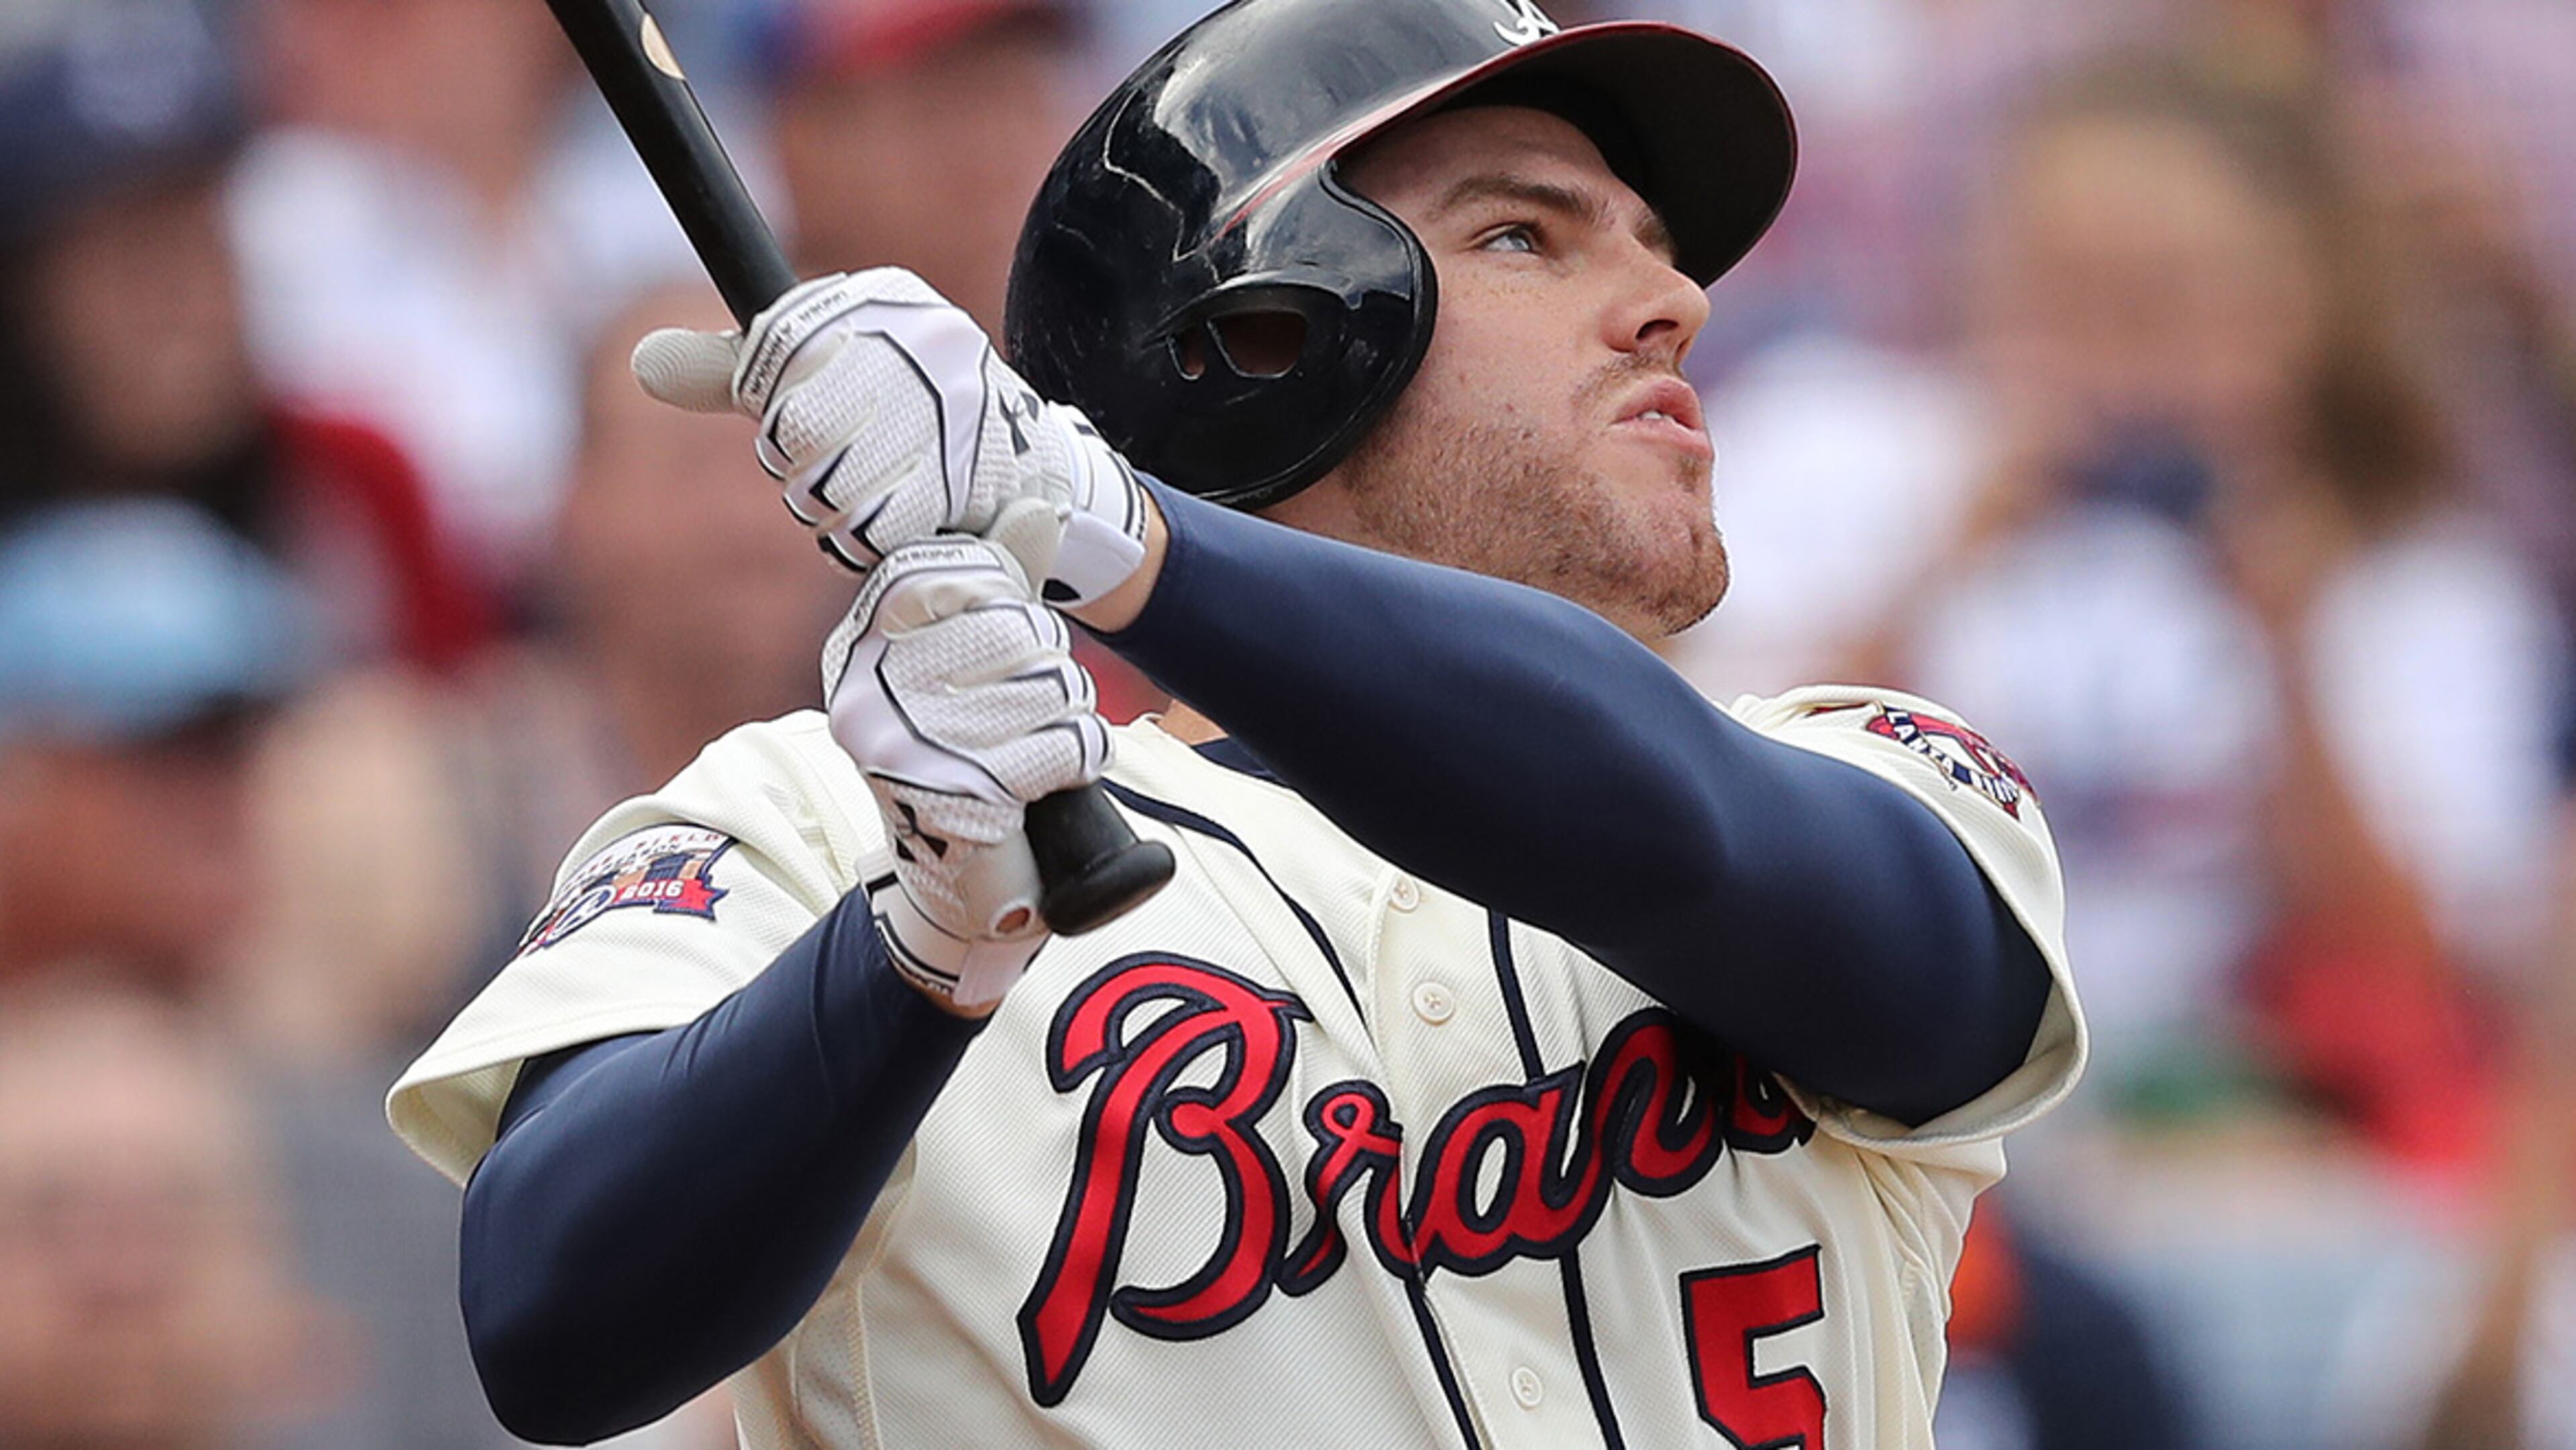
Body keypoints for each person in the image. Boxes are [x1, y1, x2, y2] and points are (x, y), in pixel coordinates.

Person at [390, 2, 2083, 1446]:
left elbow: (1723, 853)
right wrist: (914, 950)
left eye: (1658, 247)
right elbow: (552, 1317)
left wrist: (1097, 518)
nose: (1676, 304)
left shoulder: (1862, 767)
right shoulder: (839, 817)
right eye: (1526, 236)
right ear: (1264, 340)